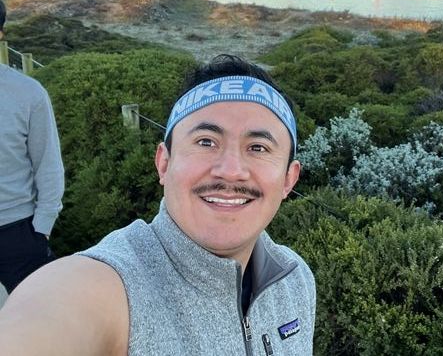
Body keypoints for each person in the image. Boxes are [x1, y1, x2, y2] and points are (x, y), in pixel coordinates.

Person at [0, 53, 316, 355]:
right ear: (164, 163)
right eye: (206, 142)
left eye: (258, 147)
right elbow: (48, 318)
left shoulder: (295, 279)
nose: (231, 170)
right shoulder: (110, 285)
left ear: (289, 179)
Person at [0, 0, 65, 295]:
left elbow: (48, 164)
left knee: (45, 315)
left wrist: (42, 228)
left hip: (19, 232)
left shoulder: (29, 93)